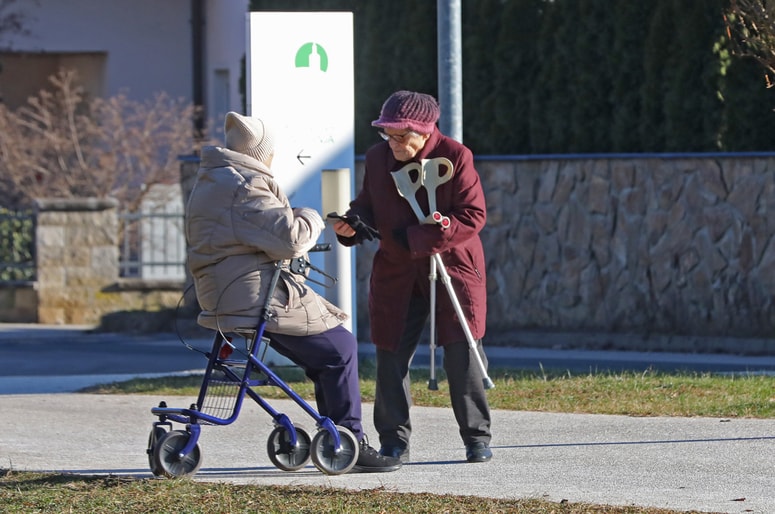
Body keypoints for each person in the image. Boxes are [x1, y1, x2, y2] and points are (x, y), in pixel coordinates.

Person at [185, 111, 402, 473]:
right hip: (255, 298)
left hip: (226, 294)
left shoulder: (213, 180)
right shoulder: (245, 184)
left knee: (325, 354)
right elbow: (291, 238)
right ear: (261, 152)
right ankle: (349, 439)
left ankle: (333, 432)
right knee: (341, 348)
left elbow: (248, 235)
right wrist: (311, 215)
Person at [332, 90, 493, 463]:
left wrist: (418, 238)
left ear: (425, 131)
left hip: (452, 267)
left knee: (462, 351)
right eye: (388, 135)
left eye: (401, 136)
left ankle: (476, 437)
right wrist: (353, 225)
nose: (394, 143)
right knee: (389, 353)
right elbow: (368, 206)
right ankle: (393, 441)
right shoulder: (377, 159)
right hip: (397, 271)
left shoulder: (455, 156)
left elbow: (472, 216)